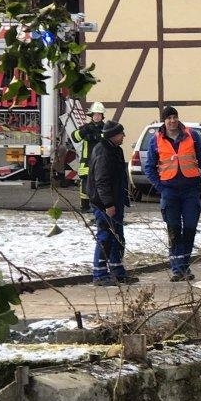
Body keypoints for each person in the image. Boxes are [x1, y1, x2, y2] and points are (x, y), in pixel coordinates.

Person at [144, 105, 201, 281]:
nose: (172, 121)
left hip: (190, 190)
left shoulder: (191, 135)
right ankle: (177, 269)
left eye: (174, 117)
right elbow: (149, 168)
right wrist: (160, 187)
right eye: (168, 118)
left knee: (190, 228)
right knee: (174, 230)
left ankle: (184, 265)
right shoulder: (156, 140)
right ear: (164, 121)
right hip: (169, 192)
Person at [87, 119, 138, 287]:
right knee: (105, 237)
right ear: (113, 135)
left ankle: (117, 271)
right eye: (121, 133)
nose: (124, 136)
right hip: (104, 203)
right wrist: (108, 204)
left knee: (117, 237)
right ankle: (100, 274)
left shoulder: (115, 150)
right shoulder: (103, 152)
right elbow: (101, 180)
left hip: (115, 201)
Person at [71, 101, 105, 212]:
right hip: (86, 161)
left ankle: (98, 207)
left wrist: (98, 136)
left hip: (101, 161)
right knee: (85, 184)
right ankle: (85, 207)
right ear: (91, 115)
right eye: (95, 114)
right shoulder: (86, 127)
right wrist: (84, 131)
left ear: (102, 116)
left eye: (99, 115)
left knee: (100, 183)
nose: (97, 117)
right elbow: (75, 137)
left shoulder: (105, 128)